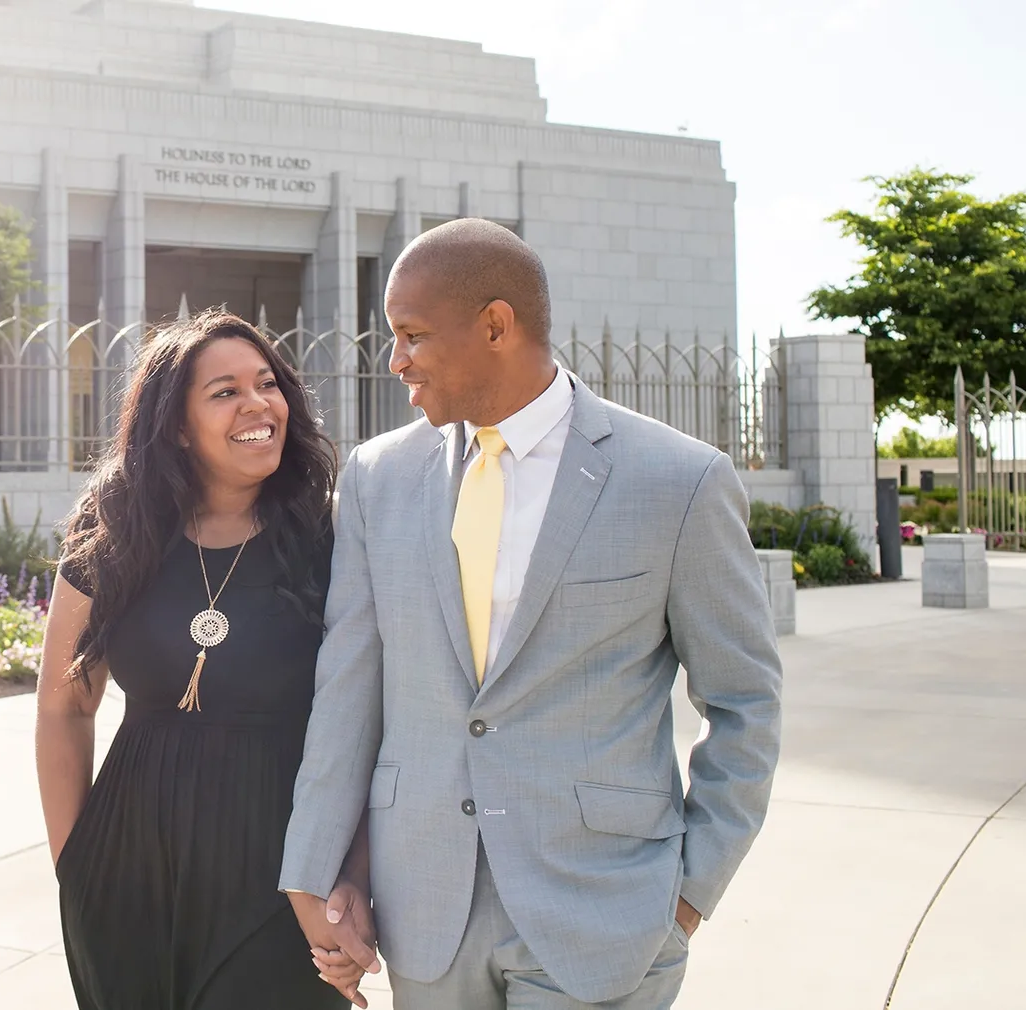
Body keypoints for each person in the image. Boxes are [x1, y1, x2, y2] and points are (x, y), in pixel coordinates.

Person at [282, 218, 785, 1009]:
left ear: (495, 325)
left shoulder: (678, 482)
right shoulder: (378, 479)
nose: (396, 360)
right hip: (424, 915)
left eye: (412, 334)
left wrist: (687, 897)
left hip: (604, 915)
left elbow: (744, 700)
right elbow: (349, 688)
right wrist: (317, 870)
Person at [36, 309, 349, 1009]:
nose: (257, 404)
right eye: (225, 392)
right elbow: (64, 703)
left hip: (279, 865)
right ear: (176, 425)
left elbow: (374, 713)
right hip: (127, 865)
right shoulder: (116, 525)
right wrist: (75, 864)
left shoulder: (330, 531)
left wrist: (348, 874)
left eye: (267, 383)